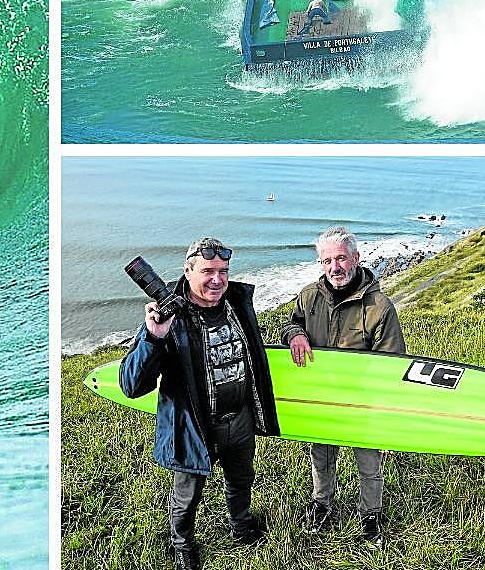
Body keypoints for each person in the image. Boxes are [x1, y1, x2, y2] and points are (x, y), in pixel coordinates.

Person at [120, 238, 280, 570]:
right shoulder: (168, 316)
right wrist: (154, 336)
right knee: (187, 495)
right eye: (208, 271)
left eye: (223, 271)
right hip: (194, 426)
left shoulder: (236, 304)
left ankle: (241, 526)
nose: (217, 280)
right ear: (188, 271)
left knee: (241, 479)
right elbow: (131, 385)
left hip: (240, 419)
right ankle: (183, 546)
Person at [281, 227, 405, 548]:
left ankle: (370, 514)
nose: (334, 267)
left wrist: (385, 411)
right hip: (322, 397)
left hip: (363, 402)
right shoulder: (309, 296)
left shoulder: (379, 306)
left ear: (356, 258)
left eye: (341, 258)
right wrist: (295, 334)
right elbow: (292, 322)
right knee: (320, 457)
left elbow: (392, 362)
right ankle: (322, 505)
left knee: (369, 463)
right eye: (327, 261)